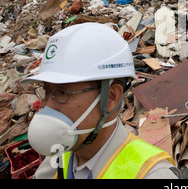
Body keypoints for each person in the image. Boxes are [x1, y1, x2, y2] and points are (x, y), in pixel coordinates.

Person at [22, 22, 180, 179]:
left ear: (111, 97)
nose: (47, 105)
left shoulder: (151, 174)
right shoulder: (58, 158)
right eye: (47, 92)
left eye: (62, 93)